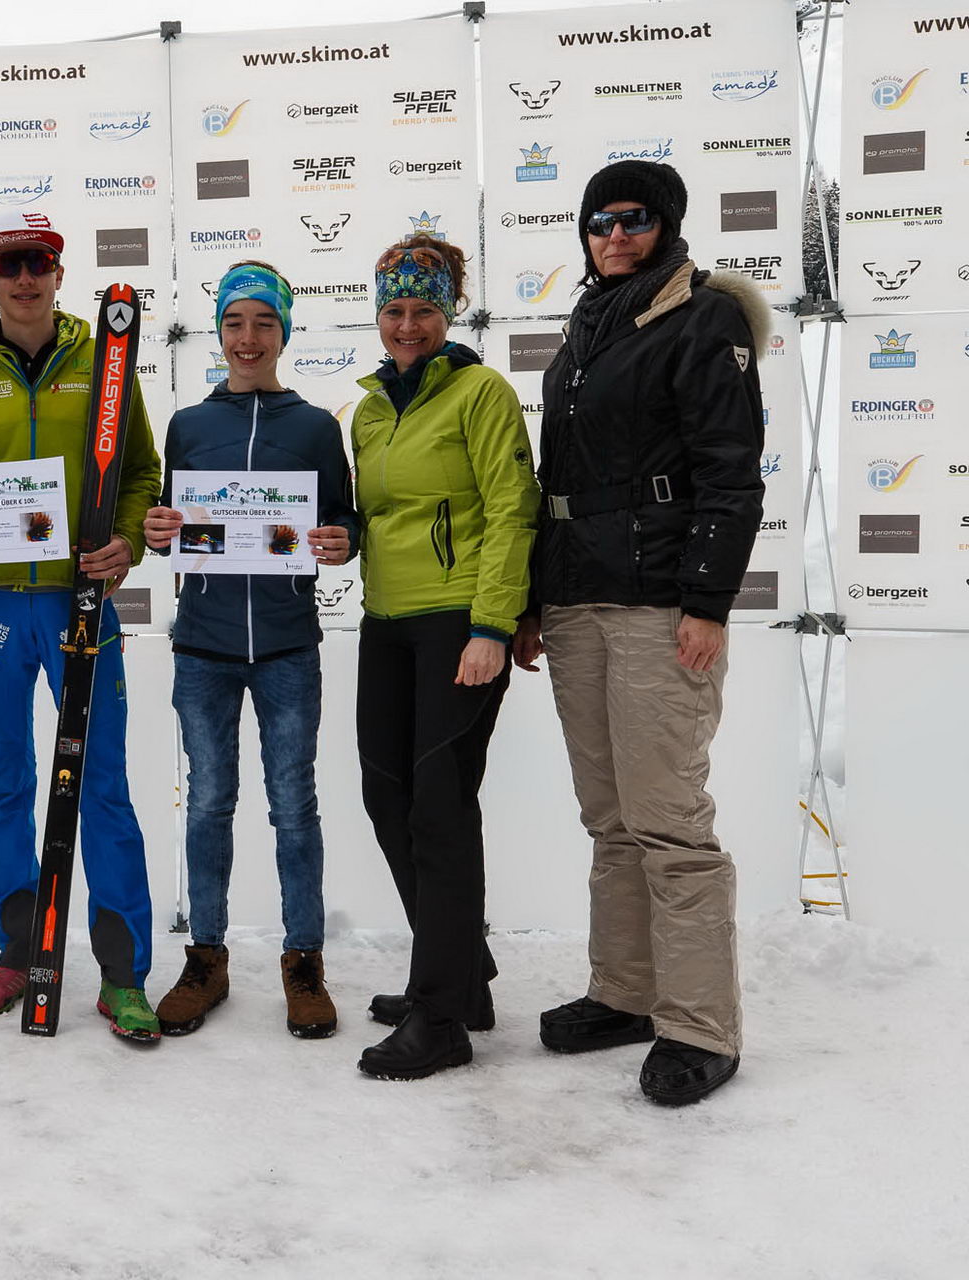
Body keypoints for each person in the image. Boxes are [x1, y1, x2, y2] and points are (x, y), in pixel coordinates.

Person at [514, 161, 766, 1106]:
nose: (613, 235)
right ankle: (624, 994)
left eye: (633, 220)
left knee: (669, 824)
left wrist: (707, 600)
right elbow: (560, 477)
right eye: (598, 221)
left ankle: (702, 1026)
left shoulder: (704, 318)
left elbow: (731, 472)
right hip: (580, 599)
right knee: (611, 820)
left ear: (666, 226)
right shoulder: (588, 323)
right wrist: (539, 599)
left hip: (662, 602)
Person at [0, 211, 164, 1043]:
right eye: (9, 265)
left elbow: (142, 469)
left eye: (39, 264)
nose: (24, 279)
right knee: (6, 786)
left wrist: (124, 542)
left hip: (80, 602)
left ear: (59, 273)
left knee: (104, 786)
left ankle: (124, 974)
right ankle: (20, 952)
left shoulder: (106, 363)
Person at [139, 261, 358, 1038]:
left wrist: (340, 540)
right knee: (207, 804)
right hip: (203, 647)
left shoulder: (315, 426)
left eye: (265, 323)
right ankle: (206, 959)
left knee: (295, 807)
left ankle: (304, 963)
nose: (249, 337)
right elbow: (170, 525)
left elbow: (342, 519)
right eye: (236, 323)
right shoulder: (190, 425)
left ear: (284, 333)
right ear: (220, 332)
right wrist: (157, 530)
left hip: (289, 647)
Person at [348, 235, 539, 1080]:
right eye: (394, 310)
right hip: (385, 620)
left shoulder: (481, 392)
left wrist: (493, 626)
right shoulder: (369, 410)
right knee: (387, 798)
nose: (407, 325)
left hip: (458, 622)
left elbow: (513, 509)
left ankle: (441, 1019)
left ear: (449, 311)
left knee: (440, 811)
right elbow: (370, 517)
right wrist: (332, 537)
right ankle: (462, 977)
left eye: (423, 309)